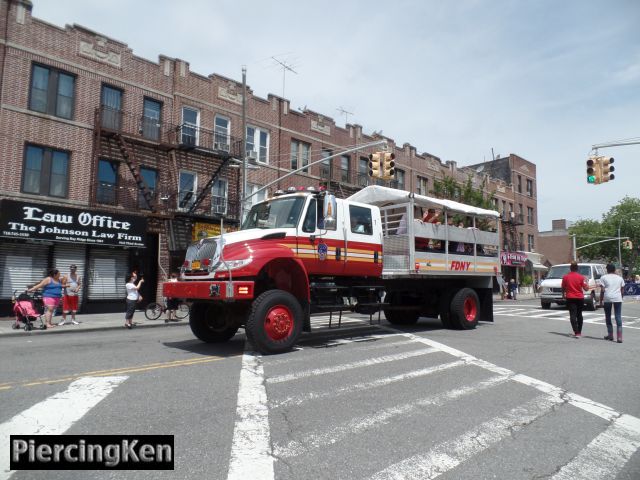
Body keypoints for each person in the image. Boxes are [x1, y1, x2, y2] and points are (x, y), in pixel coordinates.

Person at [561, 261, 589, 338]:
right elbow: (586, 289)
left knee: (572, 315)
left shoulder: (565, 277)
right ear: (577, 268)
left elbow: (563, 287)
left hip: (570, 297)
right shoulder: (581, 277)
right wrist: (587, 282)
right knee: (579, 314)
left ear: (570, 268)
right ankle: (579, 331)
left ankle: (576, 332)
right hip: (580, 297)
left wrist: (563, 294)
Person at [599, 263, 625, 343]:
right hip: (617, 298)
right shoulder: (620, 278)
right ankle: (619, 337)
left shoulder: (603, 278)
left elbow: (602, 290)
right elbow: (622, 290)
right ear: (614, 270)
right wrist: (621, 297)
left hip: (607, 298)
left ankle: (610, 335)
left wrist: (600, 300)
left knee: (608, 316)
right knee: (618, 316)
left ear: (607, 270)